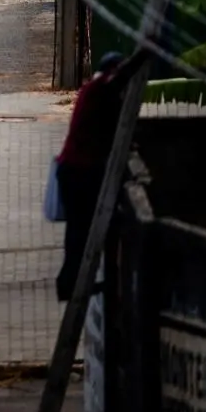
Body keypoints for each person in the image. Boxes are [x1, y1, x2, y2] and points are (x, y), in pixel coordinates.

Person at [54, 51, 132, 300]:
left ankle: (72, 283)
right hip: (78, 172)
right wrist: (145, 54)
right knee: (81, 231)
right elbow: (118, 80)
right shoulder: (98, 90)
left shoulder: (98, 94)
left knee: (79, 231)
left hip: (76, 171)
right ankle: (71, 284)